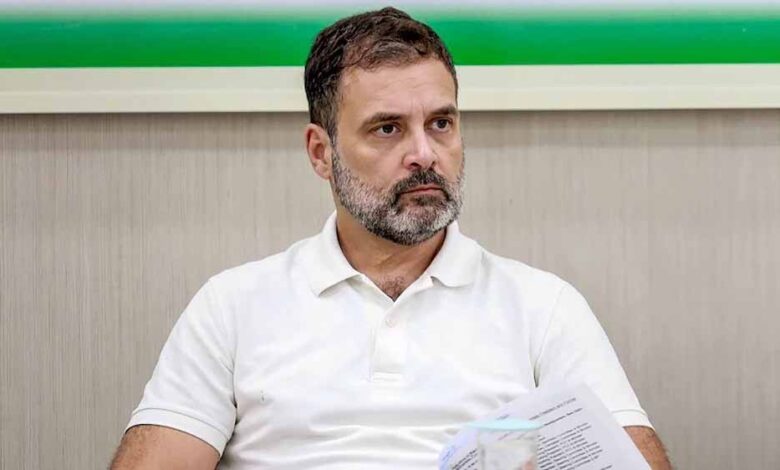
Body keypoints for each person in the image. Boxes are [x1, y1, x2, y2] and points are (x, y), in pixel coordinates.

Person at [110, 7, 671, 470]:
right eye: (388, 128)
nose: (424, 154)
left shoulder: (543, 307)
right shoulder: (232, 305)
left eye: (441, 124)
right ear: (321, 153)